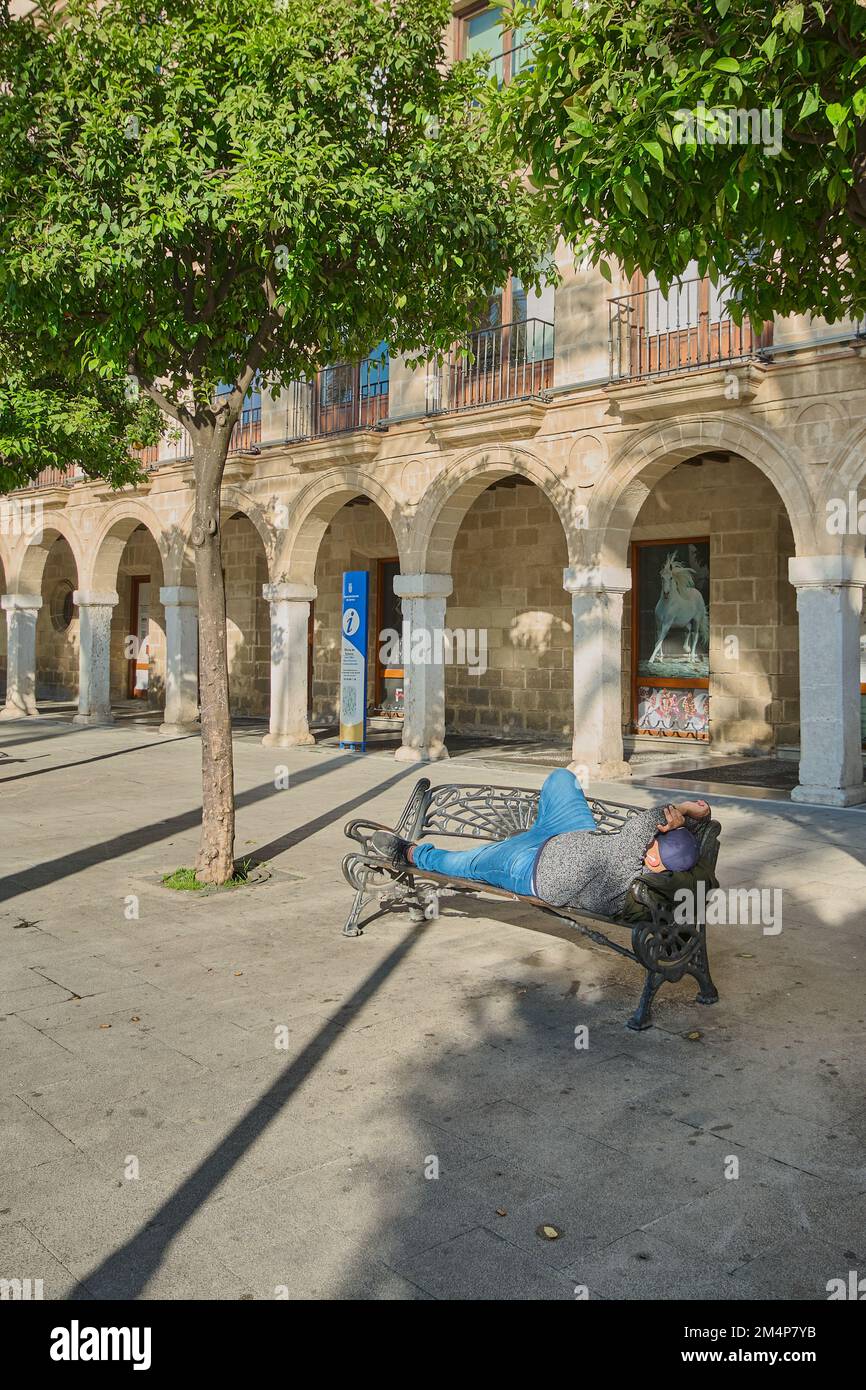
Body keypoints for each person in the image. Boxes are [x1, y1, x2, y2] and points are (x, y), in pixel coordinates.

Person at [371, 767, 713, 919]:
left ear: (654, 863)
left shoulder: (630, 869)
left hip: (527, 867)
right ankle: (533, 828)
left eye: (657, 840)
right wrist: (700, 818)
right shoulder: (652, 861)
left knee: (466, 864)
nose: (654, 836)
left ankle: (410, 852)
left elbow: (642, 824)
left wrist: (683, 810)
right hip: (569, 835)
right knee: (562, 778)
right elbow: (645, 833)